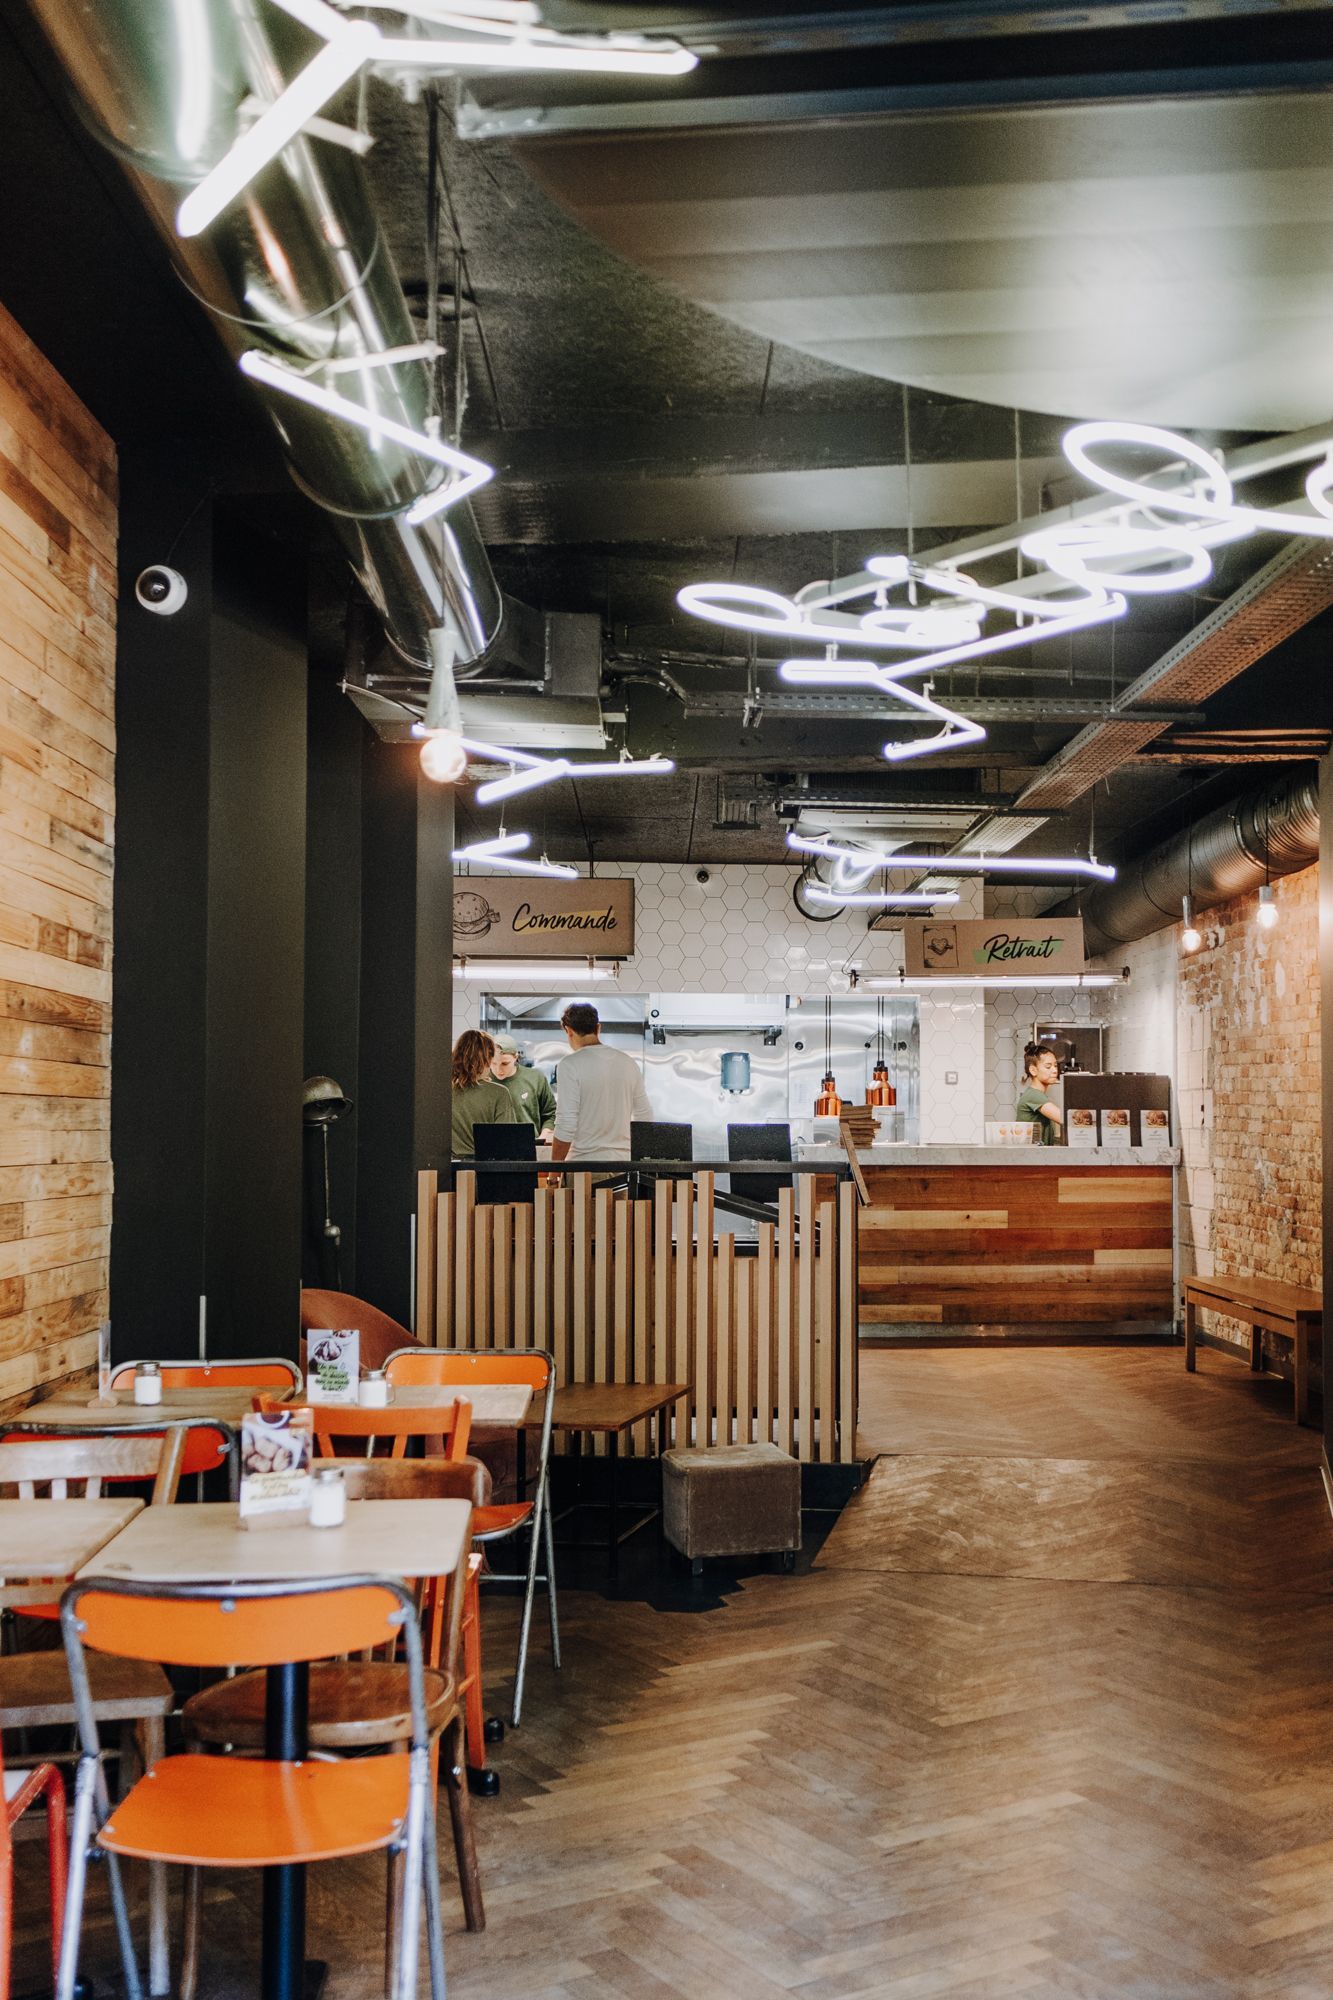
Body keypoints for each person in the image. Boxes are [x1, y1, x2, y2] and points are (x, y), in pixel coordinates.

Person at [549, 1001, 652, 1166]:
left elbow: (566, 1123)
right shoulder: (628, 1063)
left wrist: (553, 1173)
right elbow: (645, 1118)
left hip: (584, 1167)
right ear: (598, 1028)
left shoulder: (569, 1065)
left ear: (568, 1031)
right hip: (624, 1169)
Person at [451, 1028, 516, 1156]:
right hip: (485, 1170)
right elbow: (507, 1141)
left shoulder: (443, 1092)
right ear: (488, 1058)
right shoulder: (499, 1093)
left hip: (449, 1169)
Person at [490, 1032, 557, 1139]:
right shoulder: (482, 1081)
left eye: (505, 1064)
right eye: (493, 1063)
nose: (498, 1070)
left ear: (516, 1057)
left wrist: (542, 1138)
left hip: (530, 1147)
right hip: (490, 1150)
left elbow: (551, 1114)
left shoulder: (535, 1078)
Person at [1016, 1042, 1063, 1144]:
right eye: (1048, 1067)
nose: (1055, 1070)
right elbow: (1063, 1118)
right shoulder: (1034, 1095)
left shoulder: (1038, 1095)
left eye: (1056, 1065)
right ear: (1033, 1070)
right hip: (1031, 1157)